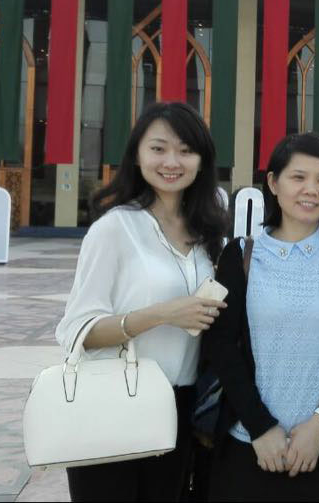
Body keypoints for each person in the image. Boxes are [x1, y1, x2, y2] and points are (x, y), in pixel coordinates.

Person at [56, 102, 229, 502]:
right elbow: (78, 330)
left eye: (186, 150)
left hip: (181, 406)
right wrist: (163, 313)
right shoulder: (115, 228)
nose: (172, 162)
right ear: (137, 155)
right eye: (158, 148)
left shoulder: (207, 234)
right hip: (115, 402)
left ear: (202, 161)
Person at [202, 133, 319, 501]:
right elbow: (222, 347)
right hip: (248, 445)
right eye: (298, 177)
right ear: (273, 183)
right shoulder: (241, 256)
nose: (311, 189)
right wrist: (261, 427)